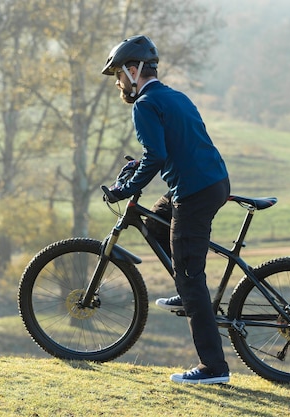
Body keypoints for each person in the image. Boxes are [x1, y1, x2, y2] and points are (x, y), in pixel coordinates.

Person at [101, 35, 231, 384]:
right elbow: (168, 147)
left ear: (133, 70)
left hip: (193, 192)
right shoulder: (174, 96)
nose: (118, 82)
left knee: (192, 280)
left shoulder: (144, 105)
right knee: (156, 227)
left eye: (118, 74)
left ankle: (214, 368)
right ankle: (186, 289)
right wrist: (138, 168)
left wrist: (127, 188)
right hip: (209, 183)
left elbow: (157, 155)